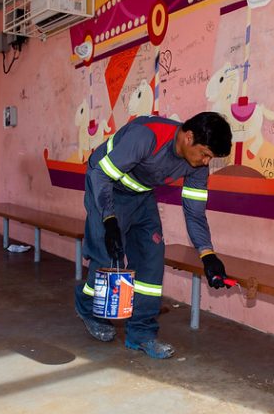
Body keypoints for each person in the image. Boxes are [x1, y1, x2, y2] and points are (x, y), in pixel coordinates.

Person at [75, 111, 233, 359]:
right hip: (105, 186)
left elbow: (194, 213)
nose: (205, 162)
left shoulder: (198, 166)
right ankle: (88, 309)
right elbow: (100, 174)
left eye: (210, 158)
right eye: (205, 154)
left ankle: (141, 334)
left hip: (141, 194)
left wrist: (207, 254)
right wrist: (109, 219)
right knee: (107, 257)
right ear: (189, 137)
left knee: (151, 257)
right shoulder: (146, 136)